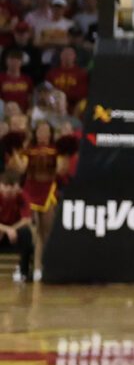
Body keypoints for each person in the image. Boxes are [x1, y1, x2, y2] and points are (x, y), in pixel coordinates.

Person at [18, 116, 62, 283]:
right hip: (30, 190)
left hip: (48, 190)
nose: (43, 134)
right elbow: (21, 167)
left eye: (46, 131)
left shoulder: (55, 150)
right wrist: (16, 152)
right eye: (40, 131)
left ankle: (44, 265)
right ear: (35, 133)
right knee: (33, 231)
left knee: (47, 231)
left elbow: (61, 171)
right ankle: (31, 266)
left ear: (50, 134)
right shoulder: (29, 149)